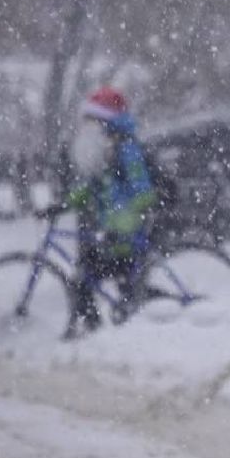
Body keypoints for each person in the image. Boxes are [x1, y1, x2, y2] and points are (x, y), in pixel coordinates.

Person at [64, 86, 159, 330]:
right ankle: (101, 329)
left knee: (86, 280)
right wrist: (62, 205)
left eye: (91, 121)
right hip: (113, 234)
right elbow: (92, 187)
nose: (86, 127)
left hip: (125, 236)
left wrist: (121, 227)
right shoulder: (106, 150)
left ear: (104, 122)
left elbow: (144, 193)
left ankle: (95, 332)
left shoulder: (125, 150)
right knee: (97, 281)